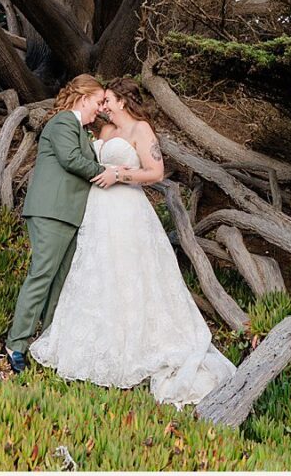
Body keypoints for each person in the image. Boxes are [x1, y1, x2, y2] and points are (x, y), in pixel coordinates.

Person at [29, 76, 236, 407]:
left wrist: (120, 175)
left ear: (122, 101)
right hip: (96, 209)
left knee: (128, 274)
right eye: (102, 101)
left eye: (108, 99)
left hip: (127, 210)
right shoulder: (104, 131)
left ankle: (133, 346)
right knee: (97, 273)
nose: (103, 105)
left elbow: (156, 173)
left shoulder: (141, 130)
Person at [3, 74, 117, 374]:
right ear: (83, 98)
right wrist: (109, 172)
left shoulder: (80, 128)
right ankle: (16, 344)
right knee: (42, 275)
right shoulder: (64, 121)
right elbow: (70, 160)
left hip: (69, 214)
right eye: (97, 102)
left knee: (60, 282)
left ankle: (49, 340)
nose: (100, 109)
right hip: (52, 211)